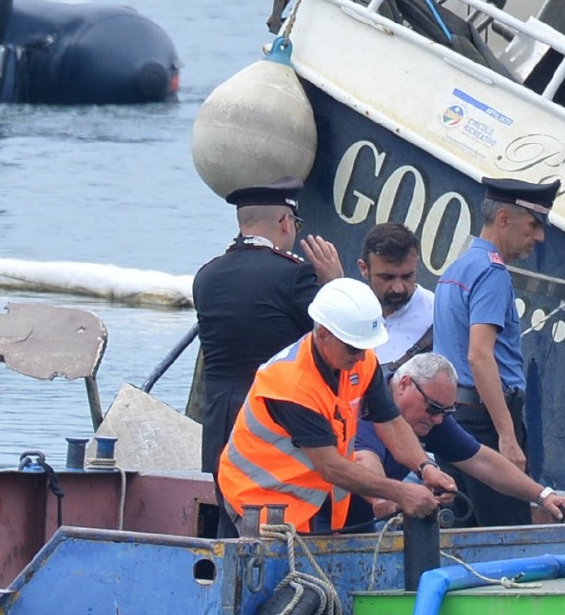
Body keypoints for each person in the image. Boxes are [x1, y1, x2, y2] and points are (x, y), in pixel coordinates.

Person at [215, 278, 456, 537]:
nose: (361, 356)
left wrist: (424, 468)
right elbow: (330, 466)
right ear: (322, 335)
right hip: (258, 501)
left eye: (367, 346)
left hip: (313, 501)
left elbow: (390, 422)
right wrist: (399, 491)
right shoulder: (290, 384)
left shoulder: (360, 361)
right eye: (354, 348)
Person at [191, 183, 341, 482]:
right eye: (296, 224)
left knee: (227, 516)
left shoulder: (205, 277)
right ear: (286, 222)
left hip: (220, 426)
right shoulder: (294, 274)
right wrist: (335, 284)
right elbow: (334, 340)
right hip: (275, 421)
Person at [433, 176, 559, 526]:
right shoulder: (492, 273)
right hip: (484, 420)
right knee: (504, 534)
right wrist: (507, 435)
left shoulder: (455, 270)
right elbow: (480, 355)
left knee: (461, 531)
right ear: (504, 218)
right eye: (533, 225)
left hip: (454, 418)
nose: (539, 237)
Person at [347, 353, 565, 527]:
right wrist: (395, 495)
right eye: (434, 408)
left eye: (446, 412)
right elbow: (364, 459)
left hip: (358, 523)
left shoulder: (429, 416)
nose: (438, 419)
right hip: (323, 525)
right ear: (405, 385)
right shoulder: (368, 408)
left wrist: (544, 495)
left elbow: (482, 461)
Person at [358, 221, 433, 371]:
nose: (398, 288)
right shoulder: (347, 307)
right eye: (387, 277)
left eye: (407, 276)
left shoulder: (438, 314)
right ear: (364, 269)